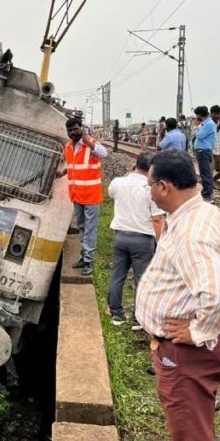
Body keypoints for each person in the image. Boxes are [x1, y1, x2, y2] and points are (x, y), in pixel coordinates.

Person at [135, 150, 220, 441]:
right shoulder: (208, 213)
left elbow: (219, 297)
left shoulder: (191, 234)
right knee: (195, 433)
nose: (149, 191)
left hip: (185, 355)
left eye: (149, 185)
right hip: (187, 353)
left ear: (164, 187)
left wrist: (197, 330)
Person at [106, 152, 165, 326]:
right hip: (142, 239)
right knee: (142, 279)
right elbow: (157, 219)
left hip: (120, 236)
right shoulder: (151, 189)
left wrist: (127, 173)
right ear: (152, 169)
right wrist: (160, 243)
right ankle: (138, 319)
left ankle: (116, 314)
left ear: (134, 165)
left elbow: (111, 193)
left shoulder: (118, 183)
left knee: (117, 275)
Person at [60, 117, 107, 276]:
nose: (73, 132)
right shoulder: (68, 147)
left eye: (75, 129)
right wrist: (63, 172)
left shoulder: (92, 144)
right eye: (70, 130)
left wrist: (86, 139)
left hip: (91, 195)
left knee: (90, 229)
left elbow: (103, 153)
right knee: (82, 226)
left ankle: (88, 260)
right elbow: (74, 165)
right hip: (76, 194)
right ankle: (84, 255)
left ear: (81, 128)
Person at [192, 106, 216, 203]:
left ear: (199, 115)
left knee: (206, 173)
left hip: (204, 151)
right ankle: (206, 192)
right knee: (204, 173)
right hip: (202, 151)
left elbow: (199, 135)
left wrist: (196, 127)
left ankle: (207, 196)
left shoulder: (209, 124)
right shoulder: (205, 123)